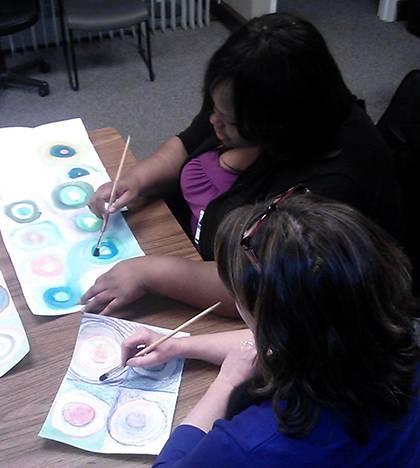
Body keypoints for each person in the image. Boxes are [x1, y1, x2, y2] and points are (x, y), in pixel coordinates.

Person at [81, 12, 403, 318]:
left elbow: (262, 287)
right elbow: (190, 141)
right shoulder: (248, 97)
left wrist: (154, 273)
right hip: (202, 251)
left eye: (229, 122)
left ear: (280, 124)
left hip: (292, 307)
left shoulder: (335, 179)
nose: (213, 123)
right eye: (214, 107)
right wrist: (136, 179)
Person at [121, 190, 419, 467]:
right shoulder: (385, 334)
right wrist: (179, 345)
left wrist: (225, 384)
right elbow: (291, 340)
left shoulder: (253, 444)